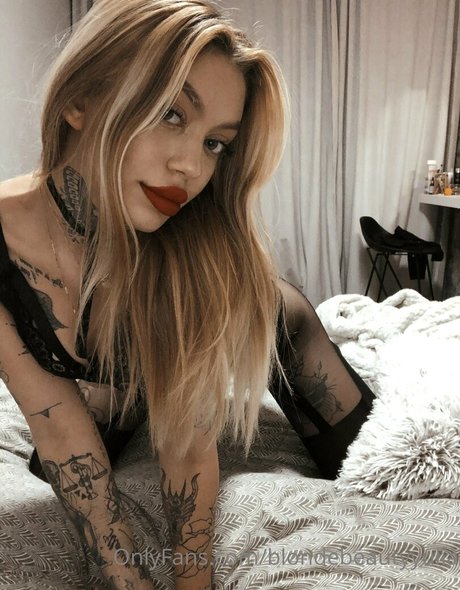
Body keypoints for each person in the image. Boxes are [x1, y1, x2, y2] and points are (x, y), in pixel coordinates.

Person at [0, 0, 374, 588]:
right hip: (124, 376)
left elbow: (190, 445)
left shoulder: (184, 250)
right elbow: (57, 427)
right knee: (61, 475)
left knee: (379, 474)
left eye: (215, 144)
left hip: (275, 325)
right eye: (172, 114)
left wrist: (191, 582)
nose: (192, 168)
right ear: (81, 100)